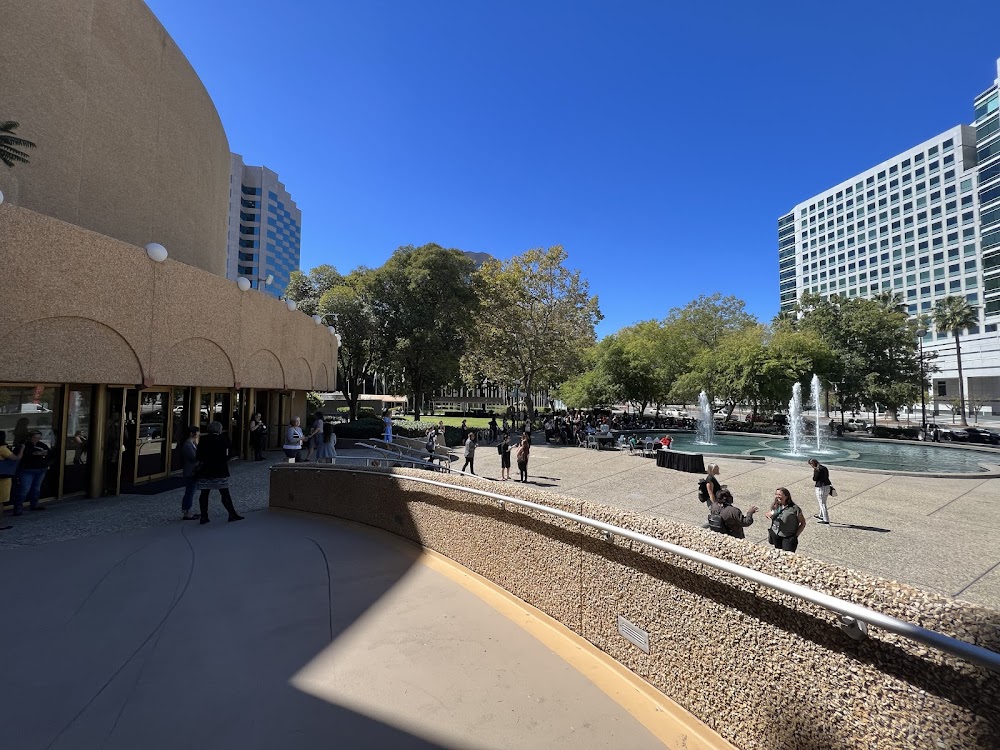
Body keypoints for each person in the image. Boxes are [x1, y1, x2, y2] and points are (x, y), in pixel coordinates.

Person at [195, 421, 244, 524]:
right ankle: (232, 513)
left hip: (205, 470)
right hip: (220, 469)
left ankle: (204, 516)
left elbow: (198, 455)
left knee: (204, 493)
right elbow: (229, 454)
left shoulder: (203, 439)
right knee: (224, 493)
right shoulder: (224, 439)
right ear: (219, 429)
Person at [14, 430, 51, 515]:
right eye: (35, 438)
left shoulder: (42, 445)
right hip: (27, 469)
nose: (37, 440)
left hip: (41, 469)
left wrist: (46, 460)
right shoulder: (23, 445)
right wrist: (35, 453)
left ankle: (34, 504)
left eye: (38, 438)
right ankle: (18, 508)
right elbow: (19, 455)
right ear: (29, 437)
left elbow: (50, 453)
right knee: (24, 489)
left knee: (36, 488)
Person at [766, 487, 806, 552]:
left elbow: (803, 522)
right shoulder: (775, 505)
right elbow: (770, 513)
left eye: (779, 495)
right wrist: (768, 514)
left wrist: (795, 536)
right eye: (776, 494)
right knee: (778, 554)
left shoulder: (794, 509)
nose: (777, 496)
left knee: (787, 557)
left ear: (786, 496)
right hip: (776, 534)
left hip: (788, 537)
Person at [0, 431, 24, 530]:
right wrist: (22, 448)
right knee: (0, 501)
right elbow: (16, 458)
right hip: (2, 478)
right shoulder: (2, 449)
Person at [180, 425, 201, 520]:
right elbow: (193, 458)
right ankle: (187, 511)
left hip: (194, 471)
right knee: (190, 491)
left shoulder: (193, 443)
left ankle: (188, 510)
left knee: (191, 491)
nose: (198, 434)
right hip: (190, 471)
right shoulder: (187, 445)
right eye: (197, 432)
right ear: (192, 433)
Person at [808, 458, 832, 524]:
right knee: (824, 501)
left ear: (812, 464)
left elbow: (815, 479)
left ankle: (826, 520)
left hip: (820, 487)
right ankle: (821, 515)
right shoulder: (824, 468)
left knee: (822, 504)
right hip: (827, 486)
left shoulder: (817, 470)